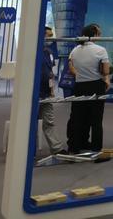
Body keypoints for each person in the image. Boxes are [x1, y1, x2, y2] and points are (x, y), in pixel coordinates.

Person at [66, 24, 110, 153]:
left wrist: (81, 75)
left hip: (79, 86)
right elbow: (106, 71)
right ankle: (96, 150)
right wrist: (103, 77)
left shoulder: (75, 50)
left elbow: (71, 68)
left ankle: (74, 147)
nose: (100, 36)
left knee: (77, 118)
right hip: (96, 85)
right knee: (96, 120)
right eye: (99, 34)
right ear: (94, 34)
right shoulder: (101, 50)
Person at [39, 27, 64, 155]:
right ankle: (26, 149)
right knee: (30, 122)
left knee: (49, 121)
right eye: (49, 35)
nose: (51, 38)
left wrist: (52, 89)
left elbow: (50, 73)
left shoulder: (49, 52)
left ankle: (57, 149)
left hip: (46, 93)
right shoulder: (35, 52)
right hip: (35, 93)